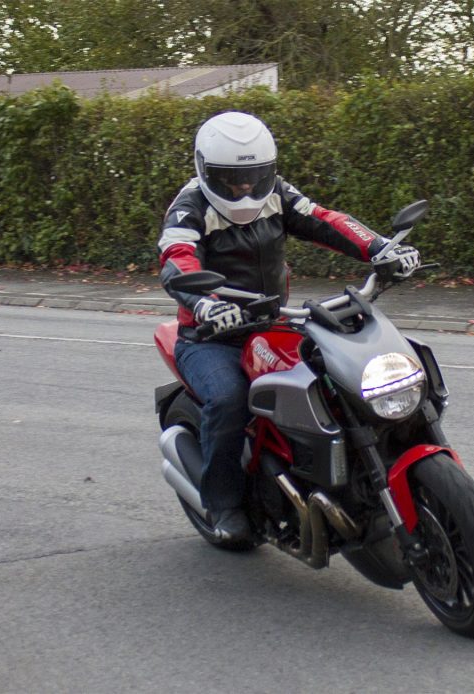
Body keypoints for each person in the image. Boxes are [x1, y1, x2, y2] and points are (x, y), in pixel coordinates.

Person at [158, 111, 420, 546]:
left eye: (254, 177)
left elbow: (323, 218)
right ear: (205, 170)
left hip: (274, 322)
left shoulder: (277, 194)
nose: (245, 189)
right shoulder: (189, 209)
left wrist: (380, 248)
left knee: (336, 377)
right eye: (231, 180)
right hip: (210, 336)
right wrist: (205, 304)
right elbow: (177, 258)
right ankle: (224, 504)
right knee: (229, 399)